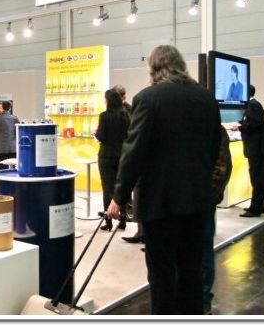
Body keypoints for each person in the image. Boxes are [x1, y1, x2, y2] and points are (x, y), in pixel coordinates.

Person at [107, 45, 221, 315]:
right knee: (191, 273)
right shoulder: (206, 98)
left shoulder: (148, 98)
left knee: (162, 276)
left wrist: (118, 197)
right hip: (198, 201)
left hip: (160, 204)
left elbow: (133, 152)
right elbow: (214, 148)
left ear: (154, 68)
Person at [202, 124, 233, 315]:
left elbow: (222, 167)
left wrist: (209, 196)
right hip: (181, 202)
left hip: (202, 203)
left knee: (203, 252)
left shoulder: (215, 129)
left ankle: (203, 299)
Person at [112, 84, 144, 244]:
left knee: (133, 188)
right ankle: (139, 229)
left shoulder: (131, 109)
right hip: (126, 151)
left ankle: (138, 228)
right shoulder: (128, 109)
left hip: (128, 152)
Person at [233, 85, 264, 217]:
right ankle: (258, 206)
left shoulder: (252, 105)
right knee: (259, 177)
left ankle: (256, 208)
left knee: (258, 178)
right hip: (258, 147)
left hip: (257, 148)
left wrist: (240, 126)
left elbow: (254, 124)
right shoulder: (254, 105)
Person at [94, 89, 130, 232]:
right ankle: (123, 220)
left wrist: (96, 132)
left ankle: (108, 221)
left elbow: (101, 136)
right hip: (122, 156)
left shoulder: (104, 116)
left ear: (108, 100)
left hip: (106, 156)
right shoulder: (126, 116)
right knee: (121, 188)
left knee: (107, 189)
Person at [0, 100, 19, 169]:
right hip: (13, 147)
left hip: (1, 148)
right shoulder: (15, 118)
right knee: (13, 166)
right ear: (10, 108)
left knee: (3, 167)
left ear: (2, 107)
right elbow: (18, 131)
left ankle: (3, 176)